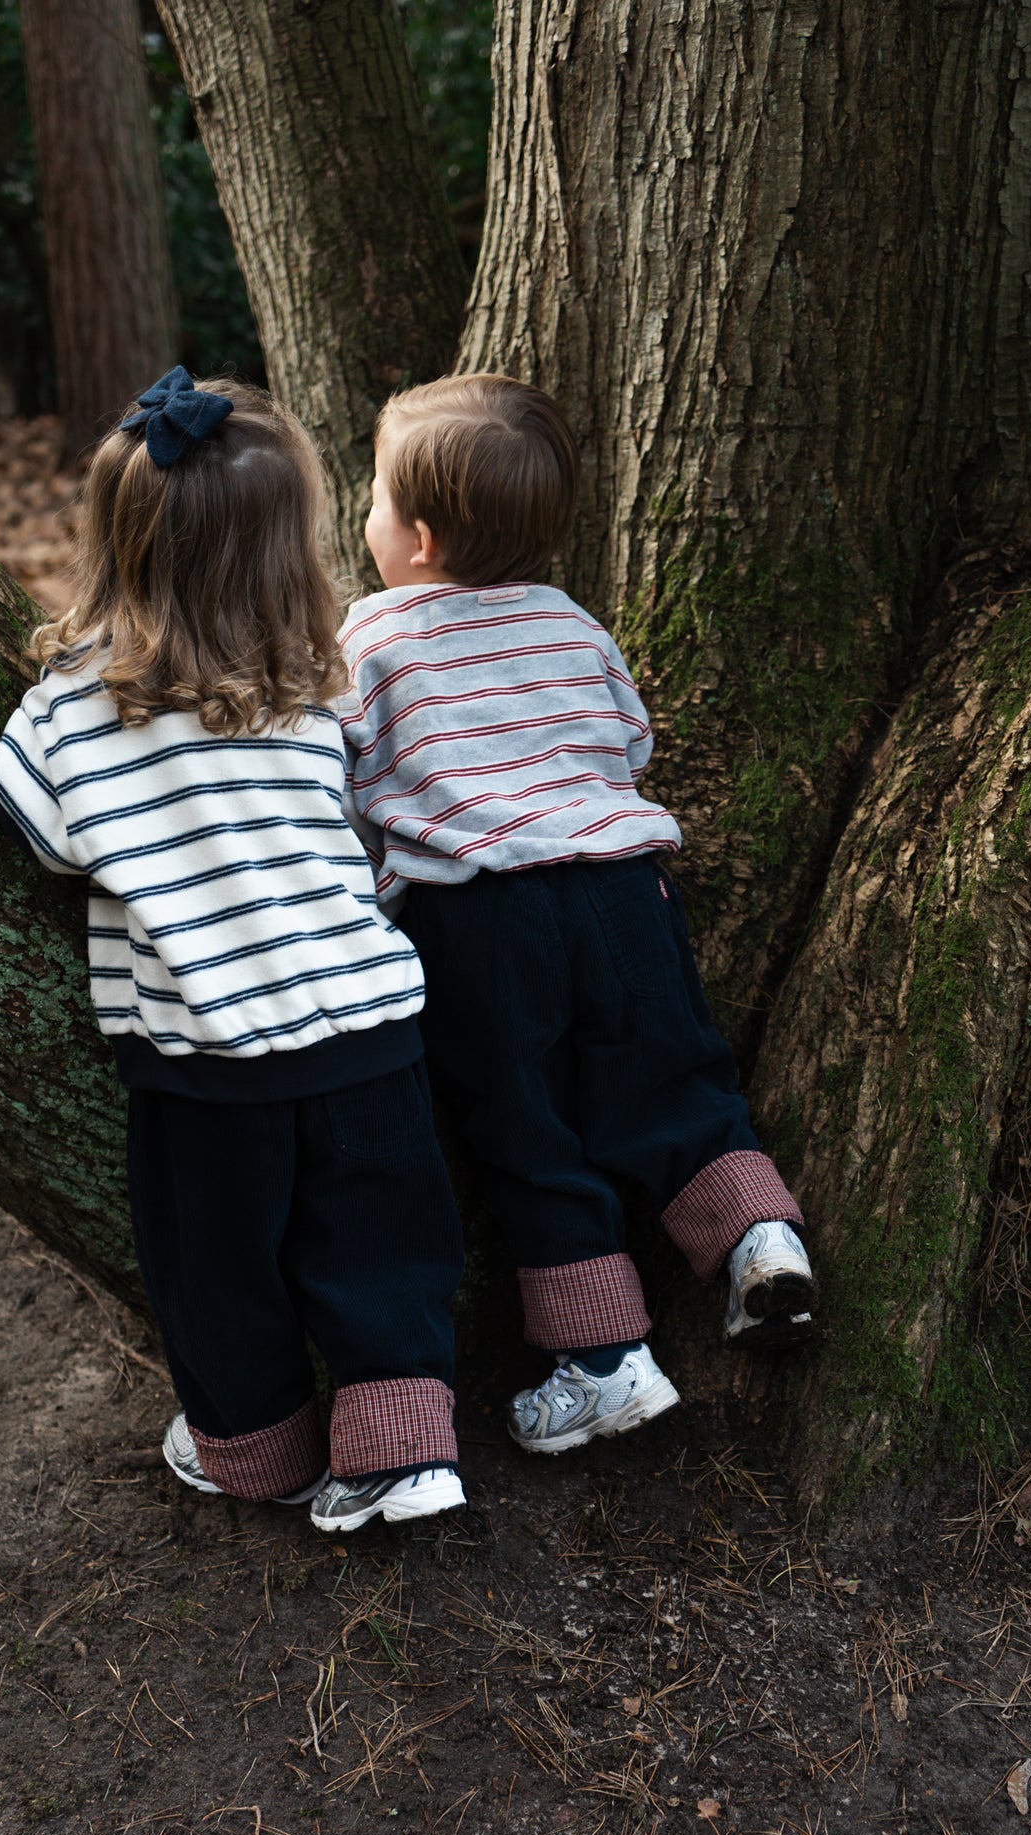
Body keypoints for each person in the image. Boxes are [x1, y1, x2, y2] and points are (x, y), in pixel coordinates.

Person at [0, 369, 465, 1533]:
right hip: (369, 1031)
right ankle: (405, 1453)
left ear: (115, 544)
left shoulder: (66, 714)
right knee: (383, 1247)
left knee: (217, 1272)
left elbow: (38, 838)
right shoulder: (313, 694)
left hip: (211, 1061)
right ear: (284, 556)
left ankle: (254, 1453)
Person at [338, 373, 818, 1457]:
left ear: (412, 536)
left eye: (368, 497)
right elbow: (628, 742)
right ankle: (755, 1232)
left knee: (526, 1125)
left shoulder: (367, 638)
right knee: (670, 1074)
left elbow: (341, 773)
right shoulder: (570, 620)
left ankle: (601, 1360)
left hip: (481, 917)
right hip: (622, 890)